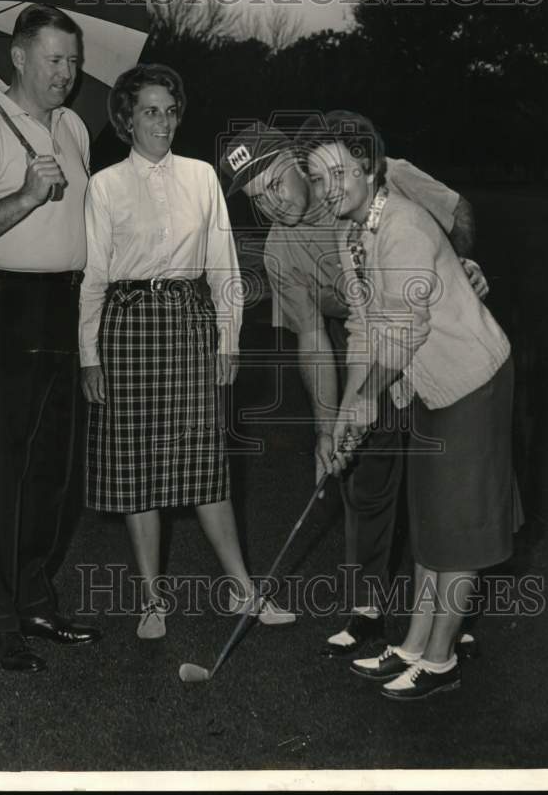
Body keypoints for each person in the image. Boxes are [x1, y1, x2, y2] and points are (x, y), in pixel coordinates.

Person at [219, 114, 487, 657]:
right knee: (363, 474)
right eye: (256, 197)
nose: (271, 203)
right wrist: (327, 429)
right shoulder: (278, 251)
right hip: (367, 341)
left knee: (443, 480)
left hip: (435, 333)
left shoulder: (378, 174)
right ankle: (370, 608)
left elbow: (458, 209)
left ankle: (449, 616)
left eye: (275, 182)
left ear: (300, 162)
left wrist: (457, 259)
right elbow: (313, 338)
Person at [79, 63, 294, 640]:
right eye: (150, 111)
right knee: (135, 467)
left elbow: (225, 266)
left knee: (205, 463)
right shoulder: (104, 185)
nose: (163, 122)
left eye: (170, 111)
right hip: (125, 331)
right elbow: (95, 276)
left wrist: (230, 338)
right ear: (127, 119)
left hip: (189, 325)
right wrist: (88, 356)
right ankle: (152, 601)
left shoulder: (201, 177)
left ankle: (243, 591)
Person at [309, 119, 521, 699]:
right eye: (317, 177)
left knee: (460, 532)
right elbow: (362, 329)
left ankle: (442, 658)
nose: (328, 187)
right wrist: (350, 408)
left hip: (472, 381)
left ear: (369, 169)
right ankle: (414, 644)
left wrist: (370, 398)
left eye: (339, 173)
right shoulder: (349, 233)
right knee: (432, 527)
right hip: (428, 387)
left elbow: (403, 328)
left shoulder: (401, 225)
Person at [0, 4, 101, 673]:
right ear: (20, 58)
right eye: (56, 59)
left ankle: (34, 598)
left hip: (60, 307)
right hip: (0, 311)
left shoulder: (75, 126)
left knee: (53, 474)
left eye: (74, 59)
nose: (68, 73)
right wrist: (26, 197)